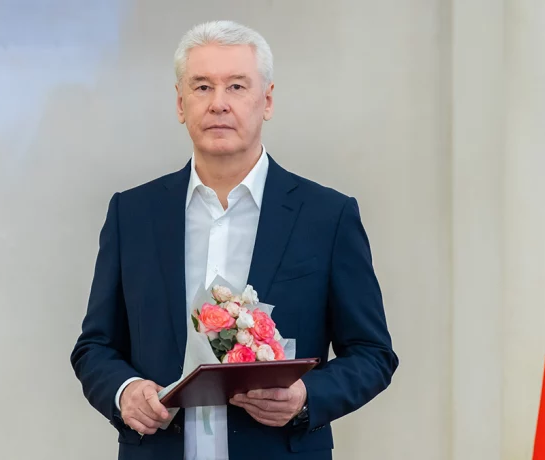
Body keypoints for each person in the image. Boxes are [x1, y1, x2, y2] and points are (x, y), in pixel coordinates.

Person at [70, 20, 398, 460]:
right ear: (181, 103)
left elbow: (372, 353)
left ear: (267, 101)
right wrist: (125, 390)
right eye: (202, 87)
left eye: (237, 86)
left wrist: (306, 396)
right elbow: (95, 347)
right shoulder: (132, 214)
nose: (218, 103)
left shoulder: (327, 216)